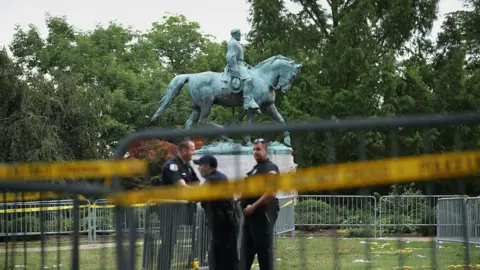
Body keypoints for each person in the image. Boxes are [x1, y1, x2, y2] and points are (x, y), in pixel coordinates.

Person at [143, 139, 200, 270]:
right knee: (169, 242)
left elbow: (197, 184)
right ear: (184, 150)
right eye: (192, 149)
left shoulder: (188, 166)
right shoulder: (172, 165)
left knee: (203, 230)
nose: (194, 152)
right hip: (168, 209)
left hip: (184, 207)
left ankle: (194, 261)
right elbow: (182, 186)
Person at [239, 138, 280, 270]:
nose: (255, 152)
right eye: (254, 149)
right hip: (250, 218)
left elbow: (271, 192)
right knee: (245, 254)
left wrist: (253, 206)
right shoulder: (255, 170)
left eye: (258, 149)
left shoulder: (270, 168)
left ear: (265, 150)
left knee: (264, 256)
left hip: (262, 217)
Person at [194, 155, 239, 270]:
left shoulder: (212, 179)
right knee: (222, 257)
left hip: (223, 225)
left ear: (207, 166)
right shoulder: (219, 177)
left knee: (221, 259)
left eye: (200, 166)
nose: (199, 169)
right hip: (224, 224)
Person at [226, 28, 259, 111]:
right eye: (239, 34)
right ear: (234, 34)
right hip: (236, 66)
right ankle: (247, 102)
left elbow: (240, 58)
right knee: (248, 80)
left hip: (241, 64)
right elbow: (230, 57)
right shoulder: (233, 43)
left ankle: (252, 100)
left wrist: (246, 65)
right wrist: (235, 70)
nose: (240, 35)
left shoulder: (236, 43)